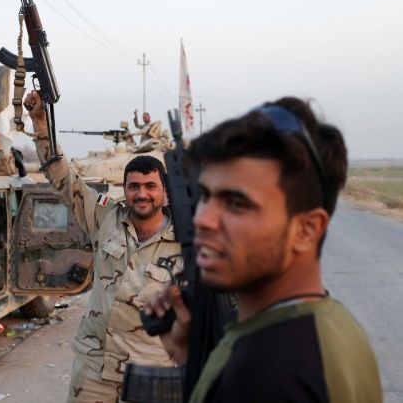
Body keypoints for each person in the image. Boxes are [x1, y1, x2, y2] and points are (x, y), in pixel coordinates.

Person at [144, 97, 383, 402]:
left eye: (236, 203)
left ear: (307, 230)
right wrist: (192, 356)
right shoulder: (330, 326)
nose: (203, 219)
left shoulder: (265, 371)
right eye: (204, 195)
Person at [24, 91, 182, 402]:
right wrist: (40, 123)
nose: (142, 194)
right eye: (134, 186)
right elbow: (63, 178)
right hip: (95, 369)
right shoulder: (105, 218)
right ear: (125, 189)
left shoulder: (186, 242)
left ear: (165, 192)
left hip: (152, 374)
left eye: (151, 186)